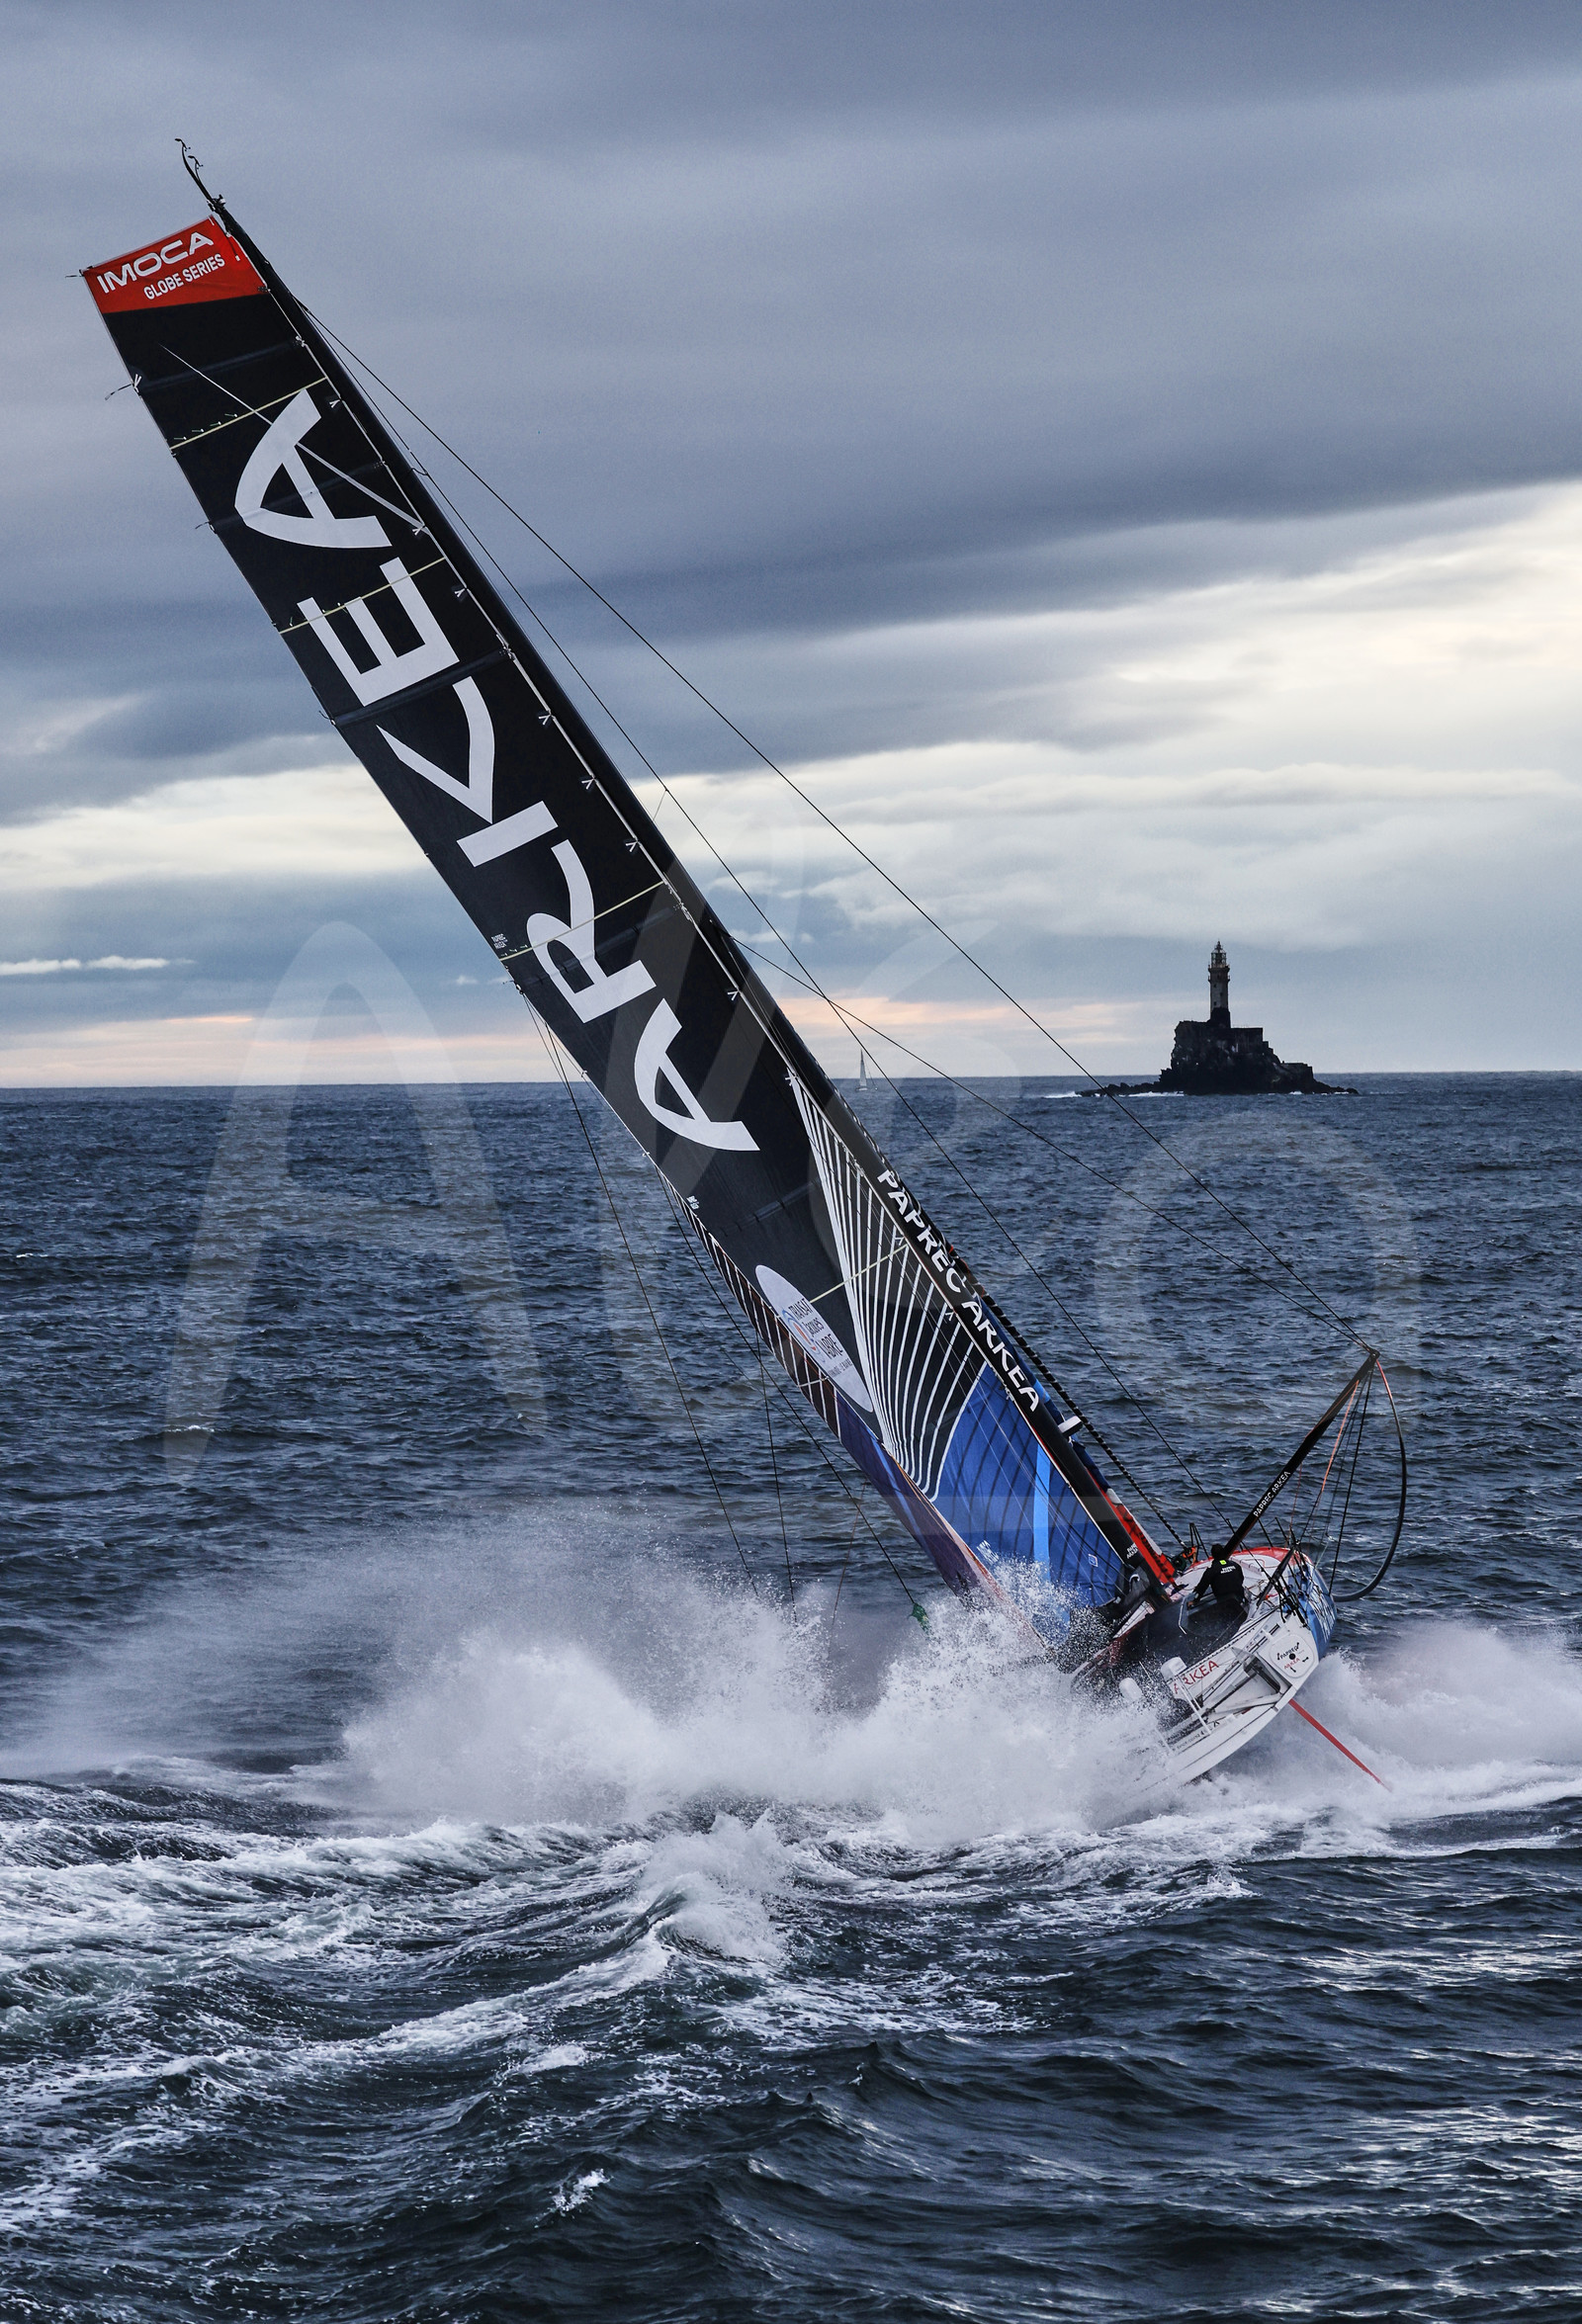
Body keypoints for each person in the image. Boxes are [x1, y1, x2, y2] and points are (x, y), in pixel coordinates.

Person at [1193, 1546, 1247, 1617]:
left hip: (1225, 1603)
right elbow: (1241, 1579)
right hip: (1240, 1598)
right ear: (1223, 1553)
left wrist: (1195, 1600)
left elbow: (1202, 1586)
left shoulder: (1211, 1570)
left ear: (1212, 1555)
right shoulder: (1235, 1565)